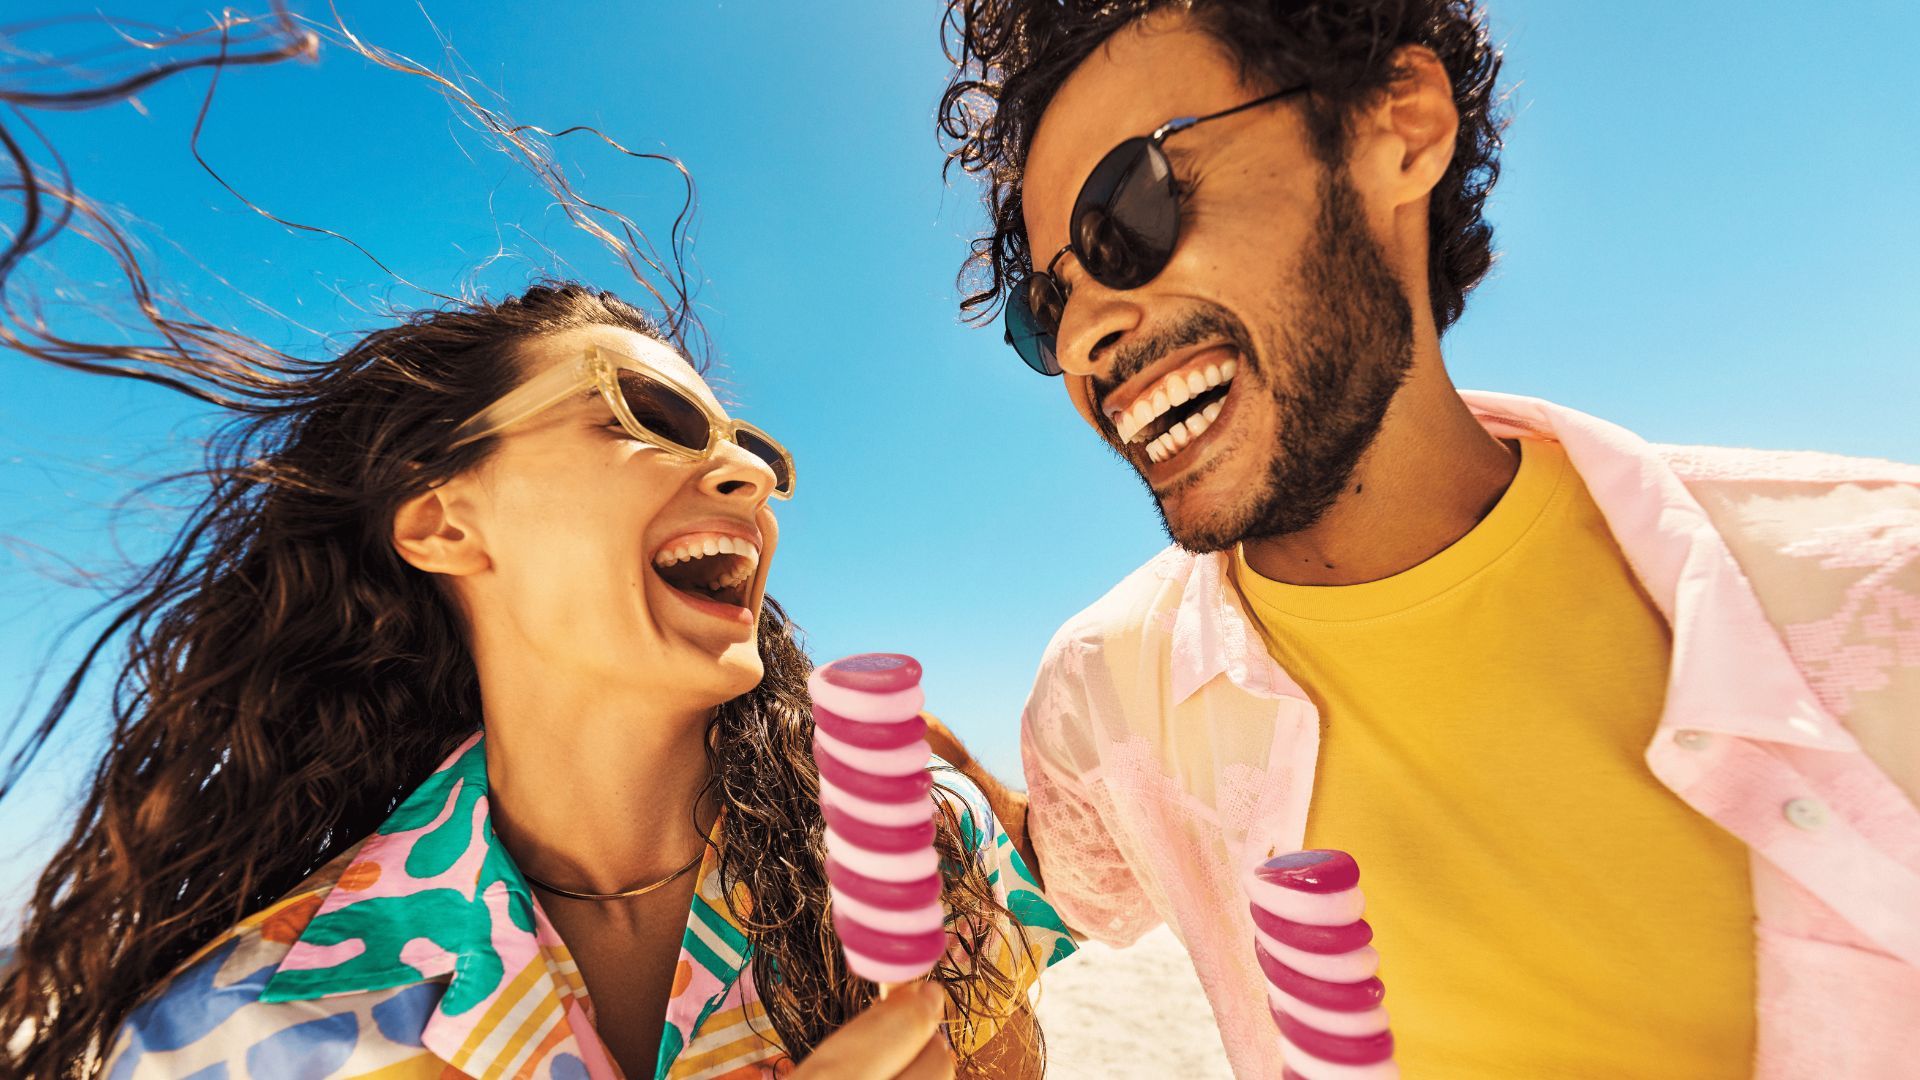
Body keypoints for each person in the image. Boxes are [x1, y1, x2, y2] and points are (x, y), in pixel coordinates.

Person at [931, 1, 1920, 1076]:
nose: (1084, 339)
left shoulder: (1881, 602)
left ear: (1397, 126)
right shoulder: (1102, 693)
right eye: (1045, 305)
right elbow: (1063, 880)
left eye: (1130, 211)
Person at [0, 283, 1072, 1080]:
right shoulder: (263, 1021)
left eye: (750, 448)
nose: (749, 476)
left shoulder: (930, 855)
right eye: (644, 416)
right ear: (443, 520)